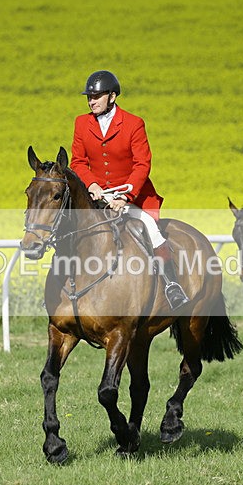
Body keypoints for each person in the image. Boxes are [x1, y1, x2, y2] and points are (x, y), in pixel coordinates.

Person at [70, 70, 189, 310]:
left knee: (151, 230)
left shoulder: (134, 123)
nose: (91, 101)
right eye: (89, 97)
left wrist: (125, 197)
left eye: (97, 96)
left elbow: (142, 164)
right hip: (97, 197)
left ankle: (171, 284)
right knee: (72, 231)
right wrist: (91, 185)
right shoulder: (81, 123)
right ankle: (65, 290)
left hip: (130, 196)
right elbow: (78, 162)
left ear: (112, 97)